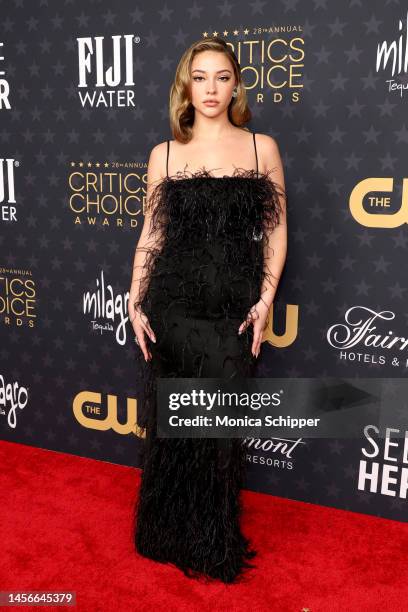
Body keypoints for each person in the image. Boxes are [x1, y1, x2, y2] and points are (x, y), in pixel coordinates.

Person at [128, 36, 287, 583]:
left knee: (217, 430)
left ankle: (210, 542)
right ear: (185, 86)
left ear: (236, 84)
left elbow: (276, 230)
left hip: (231, 312)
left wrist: (265, 298)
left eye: (221, 77)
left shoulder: (260, 147)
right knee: (173, 428)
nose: (211, 88)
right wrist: (133, 294)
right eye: (200, 77)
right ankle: (164, 534)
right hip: (172, 306)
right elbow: (153, 233)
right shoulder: (165, 155)